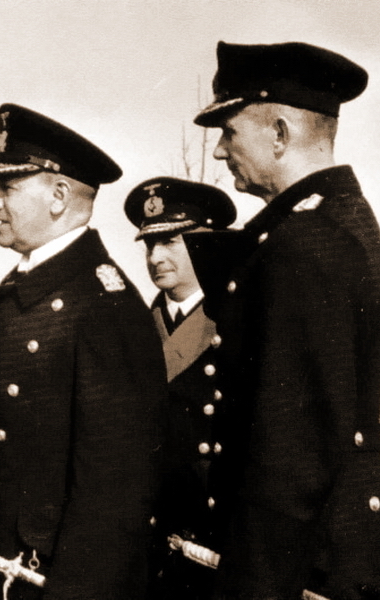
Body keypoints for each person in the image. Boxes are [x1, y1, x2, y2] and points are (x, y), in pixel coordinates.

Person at [183, 41, 380, 599]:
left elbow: (291, 460)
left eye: (229, 132)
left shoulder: (303, 245)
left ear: (279, 133)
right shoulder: (335, 225)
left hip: (305, 568)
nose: (219, 151)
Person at [0, 103, 167, 600]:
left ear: (59, 196)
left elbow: (115, 497)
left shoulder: (106, 307)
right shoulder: (29, 290)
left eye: (8, 187)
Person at [124, 177, 237, 600]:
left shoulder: (237, 322)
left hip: (214, 538)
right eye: (149, 245)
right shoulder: (132, 325)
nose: (155, 257)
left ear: (205, 240)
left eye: (170, 241)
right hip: (149, 538)